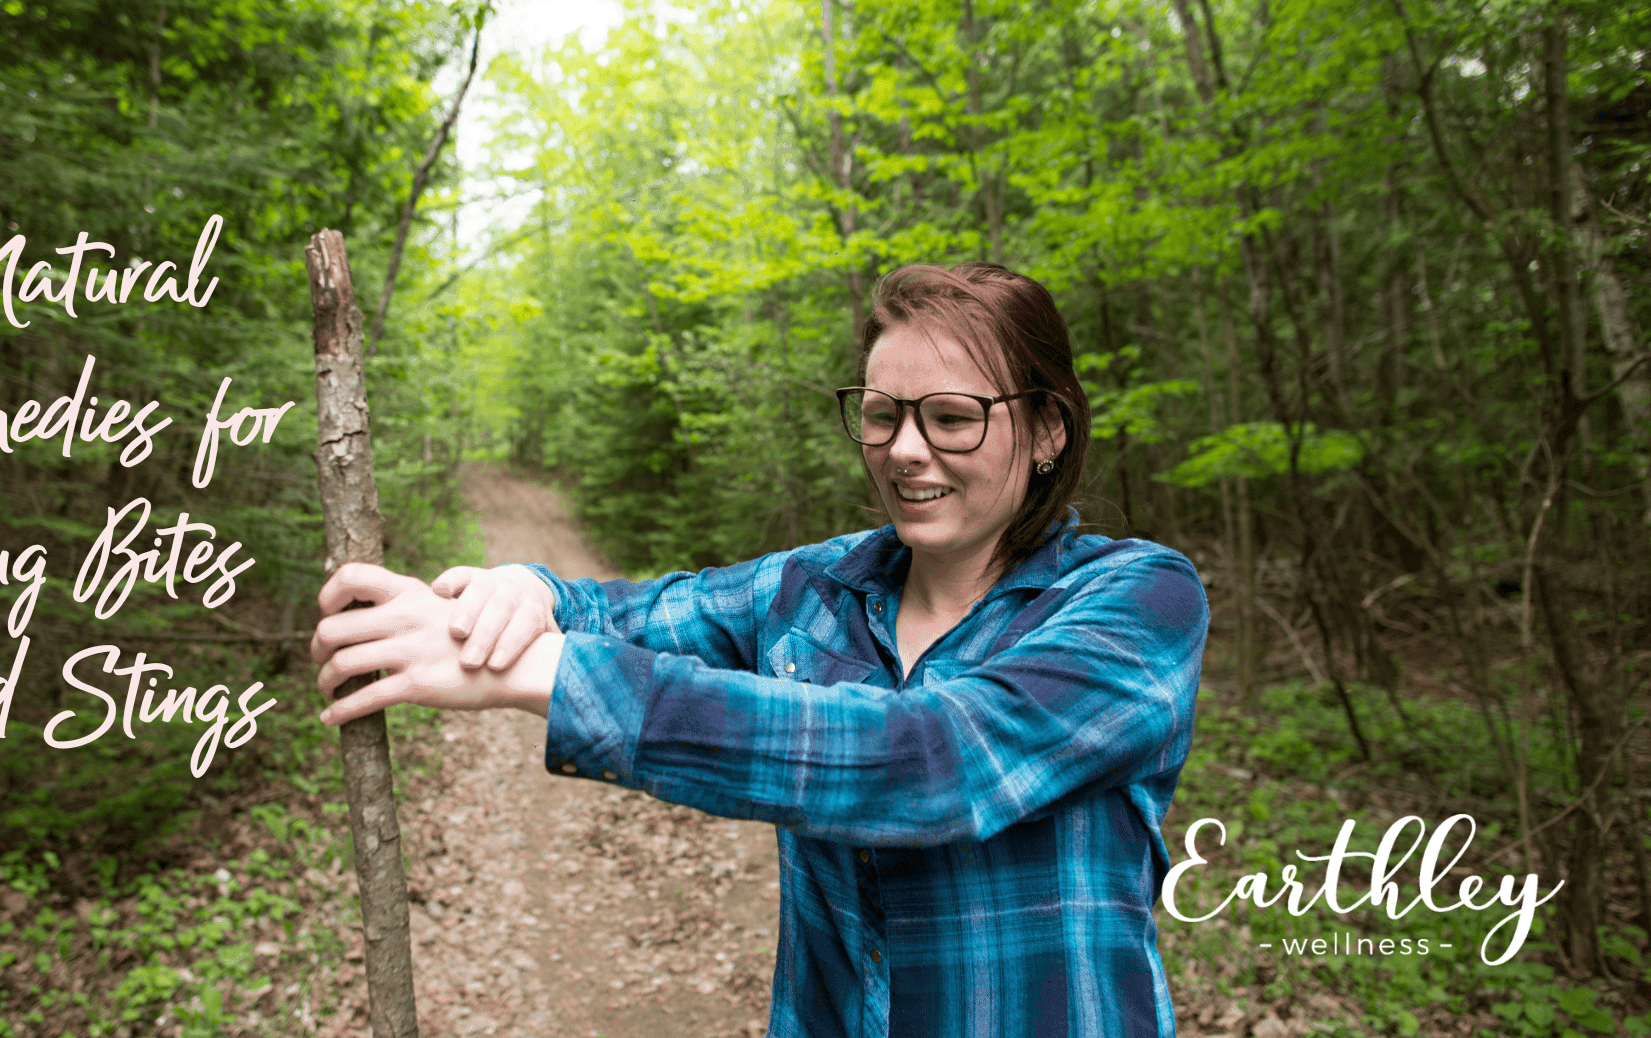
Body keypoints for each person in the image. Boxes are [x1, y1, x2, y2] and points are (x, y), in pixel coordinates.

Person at [310, 261, 1208, 1038]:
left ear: (1049, 428)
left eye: (951, 417)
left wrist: (548, 671)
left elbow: (933, 761)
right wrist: (530, 591)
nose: (904, 450)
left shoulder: (1137, 600)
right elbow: (622, 610)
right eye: (883, 413)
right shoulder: (814, 590)